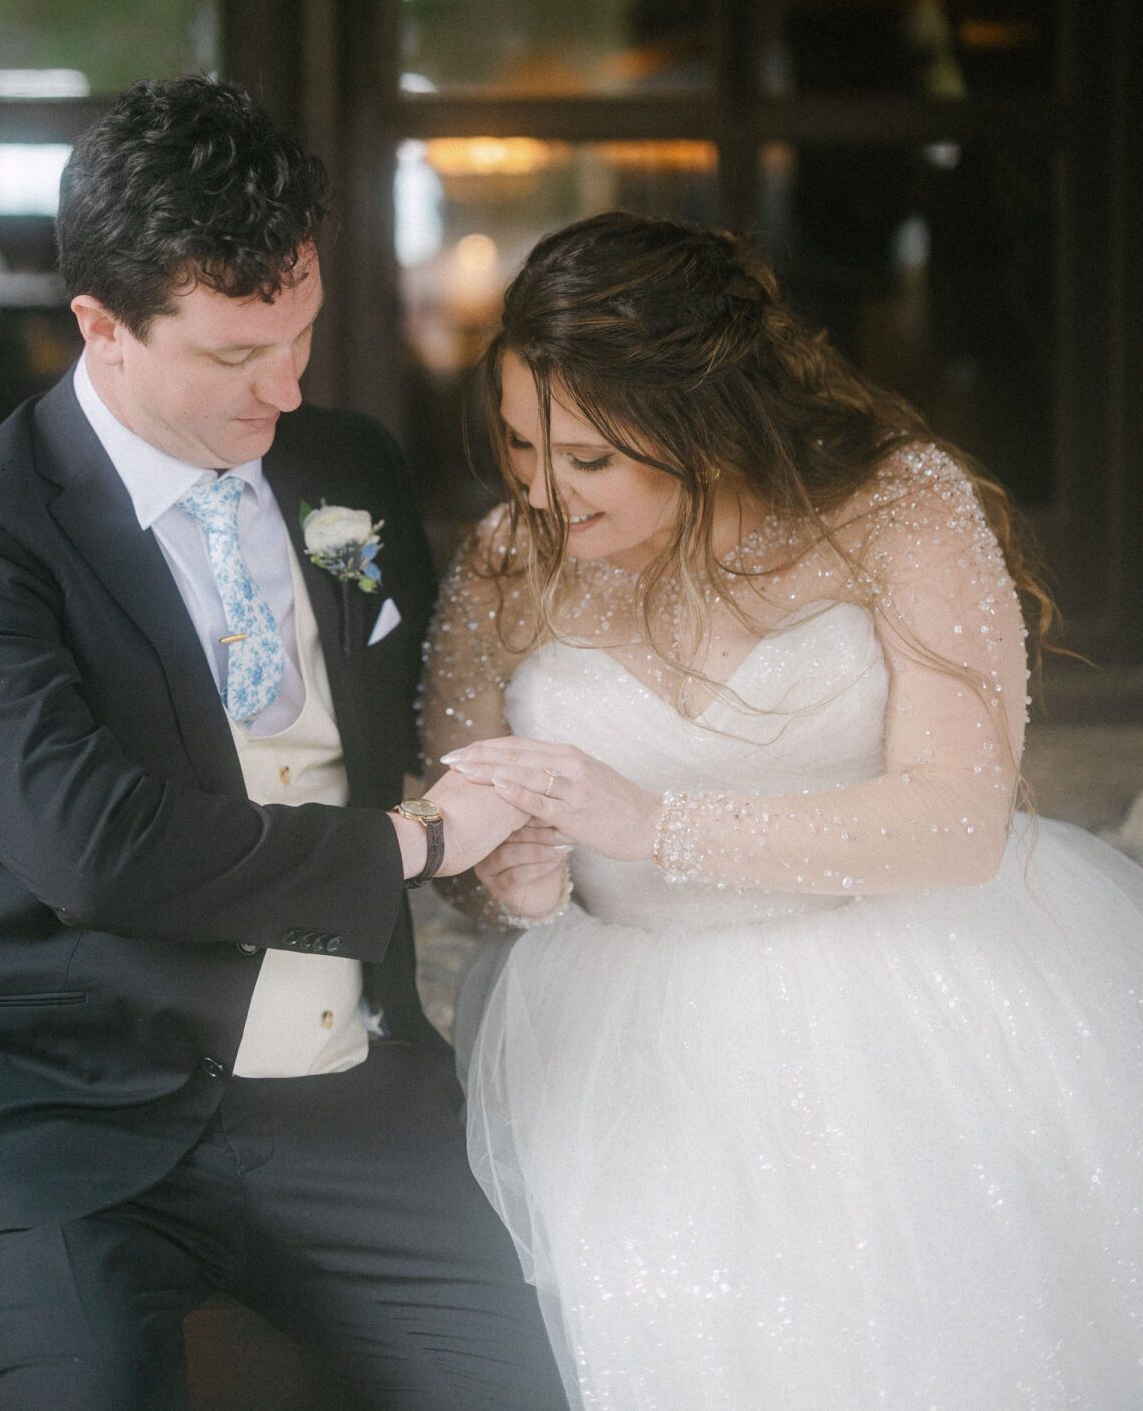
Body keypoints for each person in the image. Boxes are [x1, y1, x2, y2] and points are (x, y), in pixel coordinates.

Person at [0, 78, 567, 1411]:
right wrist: (420, 839)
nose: (283, 386)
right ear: (100, 327)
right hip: (48, 1106)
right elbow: (97, 847)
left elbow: (405, 703)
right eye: (236, 356)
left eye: (298, 334)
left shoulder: (344, 469)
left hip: (348, 1099)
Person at [421, 210, 1143, 1411]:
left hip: (914, 1007)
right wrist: (509, 868)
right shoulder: (505, 561)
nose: (545, 493)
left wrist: (652, 822)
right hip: (616, 1044)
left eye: (588, 458)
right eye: (518, 446)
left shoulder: (898, 507)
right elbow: (459, 819)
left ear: (703, 426)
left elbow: (959, 820)